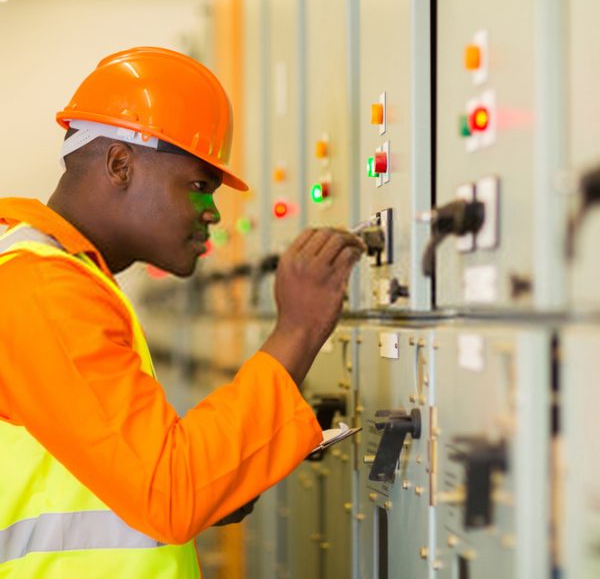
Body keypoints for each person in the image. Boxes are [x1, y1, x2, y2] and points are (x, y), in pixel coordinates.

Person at [0, 47, 365, 577]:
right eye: (199, 187)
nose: (213, 212)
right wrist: (299, 329)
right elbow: (168, 494)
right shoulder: (41, 287)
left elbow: (118, 478)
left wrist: (211, 481)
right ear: (120, 164)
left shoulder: (59, 278)